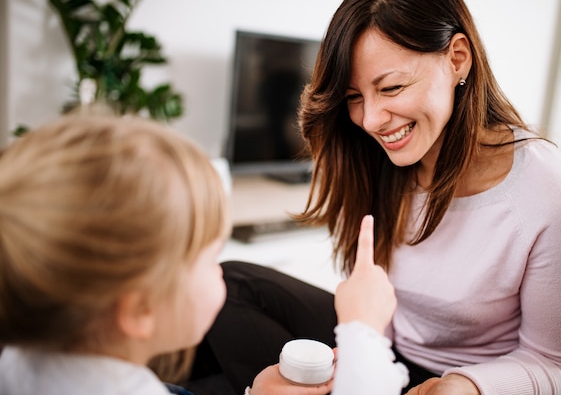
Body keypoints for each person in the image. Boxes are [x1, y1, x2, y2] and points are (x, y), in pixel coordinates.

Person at [200, 0, 561, 394]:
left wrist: (465, 387)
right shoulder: (374, 158)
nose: (371, 120)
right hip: (382, 353)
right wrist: (360, 350)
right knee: (230, 285)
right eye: (355, 96)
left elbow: (556, 365)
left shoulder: (549, 192)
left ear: (458, 59)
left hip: (464, 381)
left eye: (391, 87)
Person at [0, 115, 407, 395]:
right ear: (140, 309)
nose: (220, 271)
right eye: (210, 258)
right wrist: (363, 335)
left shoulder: (20, 363)